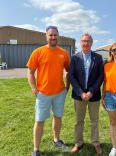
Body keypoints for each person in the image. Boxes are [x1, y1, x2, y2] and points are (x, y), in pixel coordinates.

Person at [27, 26, 70, 156]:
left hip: (59, 93)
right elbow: (30, 72)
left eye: (55, 35)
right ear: (46, 36)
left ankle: (56, 140)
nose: (53, 37)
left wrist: (67, 86)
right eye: (50, 35)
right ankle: (36, 149)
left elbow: (68, 70)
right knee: (39, 120)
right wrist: (34, 89)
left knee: (58, 117)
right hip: (43, 94)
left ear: (58, 36)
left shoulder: (63, 53)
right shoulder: (38, 52)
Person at [69, 33, 104, 154]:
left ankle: (96, 143)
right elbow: (71, 76)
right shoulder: (74, 58)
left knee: (94, 121)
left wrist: (91, 91)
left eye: (88, 41)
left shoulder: (98, 58)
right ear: (80, 43)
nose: (86, 43)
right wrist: (80, 92)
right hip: (79, 95)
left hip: (93, 95)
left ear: (92, 43)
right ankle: (78, 143)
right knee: (79, 121)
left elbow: (101, 76)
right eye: (83, 41)